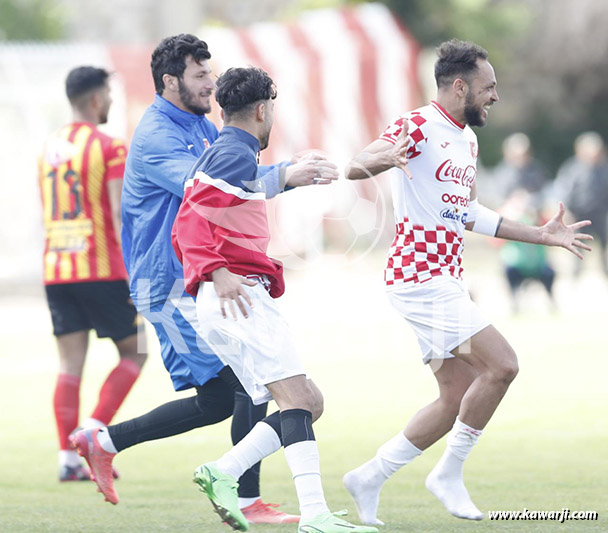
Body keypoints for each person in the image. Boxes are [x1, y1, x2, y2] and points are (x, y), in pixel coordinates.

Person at [71, 34, 330, 523]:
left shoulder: (201, 124)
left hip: (199, 278)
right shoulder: (154, 135)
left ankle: (103, 441)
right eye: (199, 75)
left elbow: (230, 187)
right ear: (170, 82)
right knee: (250, 386)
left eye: (211, 74)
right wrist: (285, 176)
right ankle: (244, 497)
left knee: (227, 395)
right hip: (167, 284)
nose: (211, 84)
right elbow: (202, 186)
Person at [342, 39, 592, 525]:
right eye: (489, 87)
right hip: (418, 276)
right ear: (461, 86)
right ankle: (448, 474)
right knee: (502, 366)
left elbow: (468, 213)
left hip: (444, 278)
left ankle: (369, 476)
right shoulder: (417, 124)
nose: (495, 96)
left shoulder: (467, 139)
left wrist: (540, 235)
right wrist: (384, 159)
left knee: (455, 398)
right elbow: (354, 166)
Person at [171, 66, 377, 533]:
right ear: (263, 110)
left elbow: (234, 193)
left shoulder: (229, 152)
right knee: (300, 399)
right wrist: (217, 271)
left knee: (306, 401)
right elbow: (188, 221)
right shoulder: (232, 153)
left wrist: (288, 175)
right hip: (237, 294)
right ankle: (315, 516)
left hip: (228, 297)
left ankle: (224, 471)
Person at [38, 66, 147, 482]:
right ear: (97, 99)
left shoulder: (47, 147)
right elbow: (120, 212)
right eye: (110, 95)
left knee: (69, 365)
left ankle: (67, 460)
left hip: (57, 269)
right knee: (136, 350)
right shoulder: (110, 147)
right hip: (101, 268)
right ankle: (92, 433)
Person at [553, 132, 608, 276]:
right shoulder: (572, 169)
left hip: (600, 215)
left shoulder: (604, 169)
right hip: (579, 215)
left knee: (604, 247)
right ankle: (575, 274)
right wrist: (566, 212)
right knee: (577, 247)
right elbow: (563, 191)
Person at [498, 189, 556, 313]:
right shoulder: (511, 220)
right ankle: (514, 302)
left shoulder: (539, 219)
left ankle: (551, 300)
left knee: (550, 272)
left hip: (538, 264)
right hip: (517, 264)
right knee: (509, 270)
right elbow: (496, 242)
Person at [493, 132, 550, 207]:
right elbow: (497, 198)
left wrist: (530, 199)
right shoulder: (501, 174)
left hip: (534, 209)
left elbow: (546, 192)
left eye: (525, 154)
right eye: (516, 156)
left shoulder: (535, 170)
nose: (521, 159)